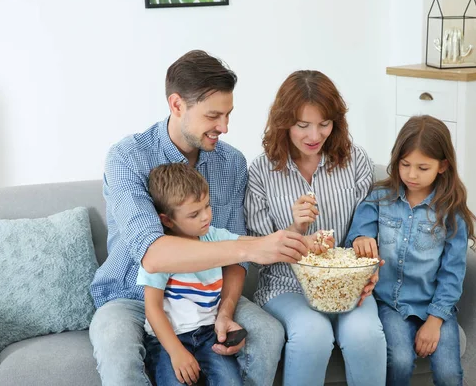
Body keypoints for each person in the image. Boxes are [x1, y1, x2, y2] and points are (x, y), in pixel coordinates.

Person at [89, 50, 309, 386]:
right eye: (213, 116)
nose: (224, 127)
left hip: (204, 296)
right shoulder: (127, 158)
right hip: (132, 295)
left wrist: (225, 310)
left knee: (266, 331)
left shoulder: (231, 163)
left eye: (228, 114)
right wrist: (249, 248)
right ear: (177, 105)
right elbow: (155, 254)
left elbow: (236, 261)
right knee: (117, 345)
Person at [244, 70, 387, 386]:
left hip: (349, 283)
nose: (314, 135)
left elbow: (372, 221)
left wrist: (370, 262)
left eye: (324, 124)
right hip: (286, 285)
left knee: (365, 335)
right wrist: (296, 229)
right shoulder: (261, 171)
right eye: (302, 125)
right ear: (284, 123)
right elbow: (255, 252)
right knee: (313, 336)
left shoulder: (355, 160)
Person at [345, 115, 476, 386]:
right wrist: (360, 239)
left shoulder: (451, 215)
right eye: (405, 165)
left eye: (422, 167)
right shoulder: (379, 198)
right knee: (401, 360)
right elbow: (358, 234)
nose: (412, 174)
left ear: (443, 166)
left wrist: (434, 320)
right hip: (390, 304)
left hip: (435, 306)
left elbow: (453, 273)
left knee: (449, 373)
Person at [139, 163, 243, 386]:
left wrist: (291, 239)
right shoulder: (161, 251)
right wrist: (176, 352)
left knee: (231, 382)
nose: (206, 217)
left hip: (208, 334)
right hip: (168, 339)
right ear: (167, 220)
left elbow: (247, 245)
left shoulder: (214, 236)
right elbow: (152, 308)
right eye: (195, 214)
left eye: (207, 206)